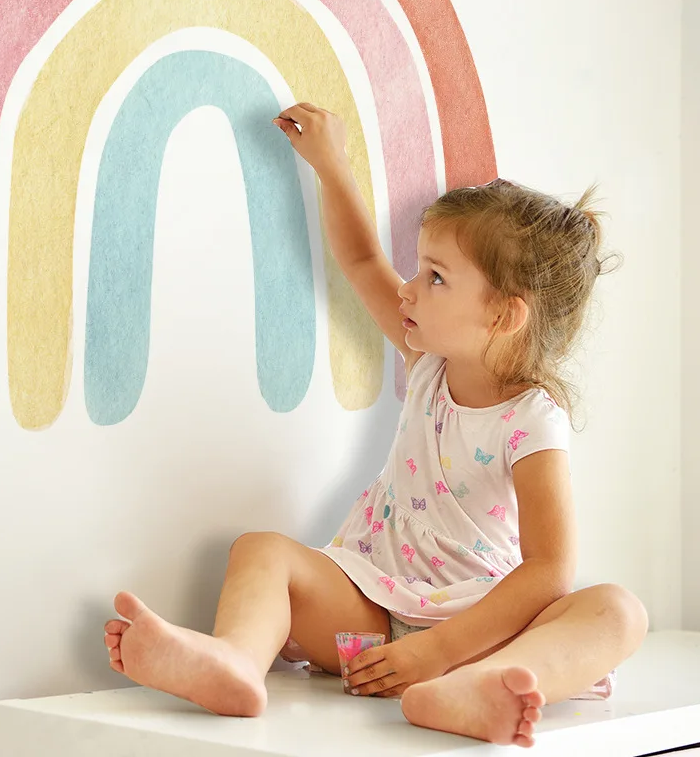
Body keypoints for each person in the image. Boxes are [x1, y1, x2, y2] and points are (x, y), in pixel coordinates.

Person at [103, 102, 648, 747]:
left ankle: (480, 689)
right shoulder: (428, 364)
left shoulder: (532, 418)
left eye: (435, 277)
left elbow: (550, 570)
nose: (409, 289)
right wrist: (331, 165)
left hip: (479, 633)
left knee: (618, 610)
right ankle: (235, 663)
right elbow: (363, 262)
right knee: (261, 550)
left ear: (504, 316)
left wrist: (438, 652)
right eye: (419, 269)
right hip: (374, 617)